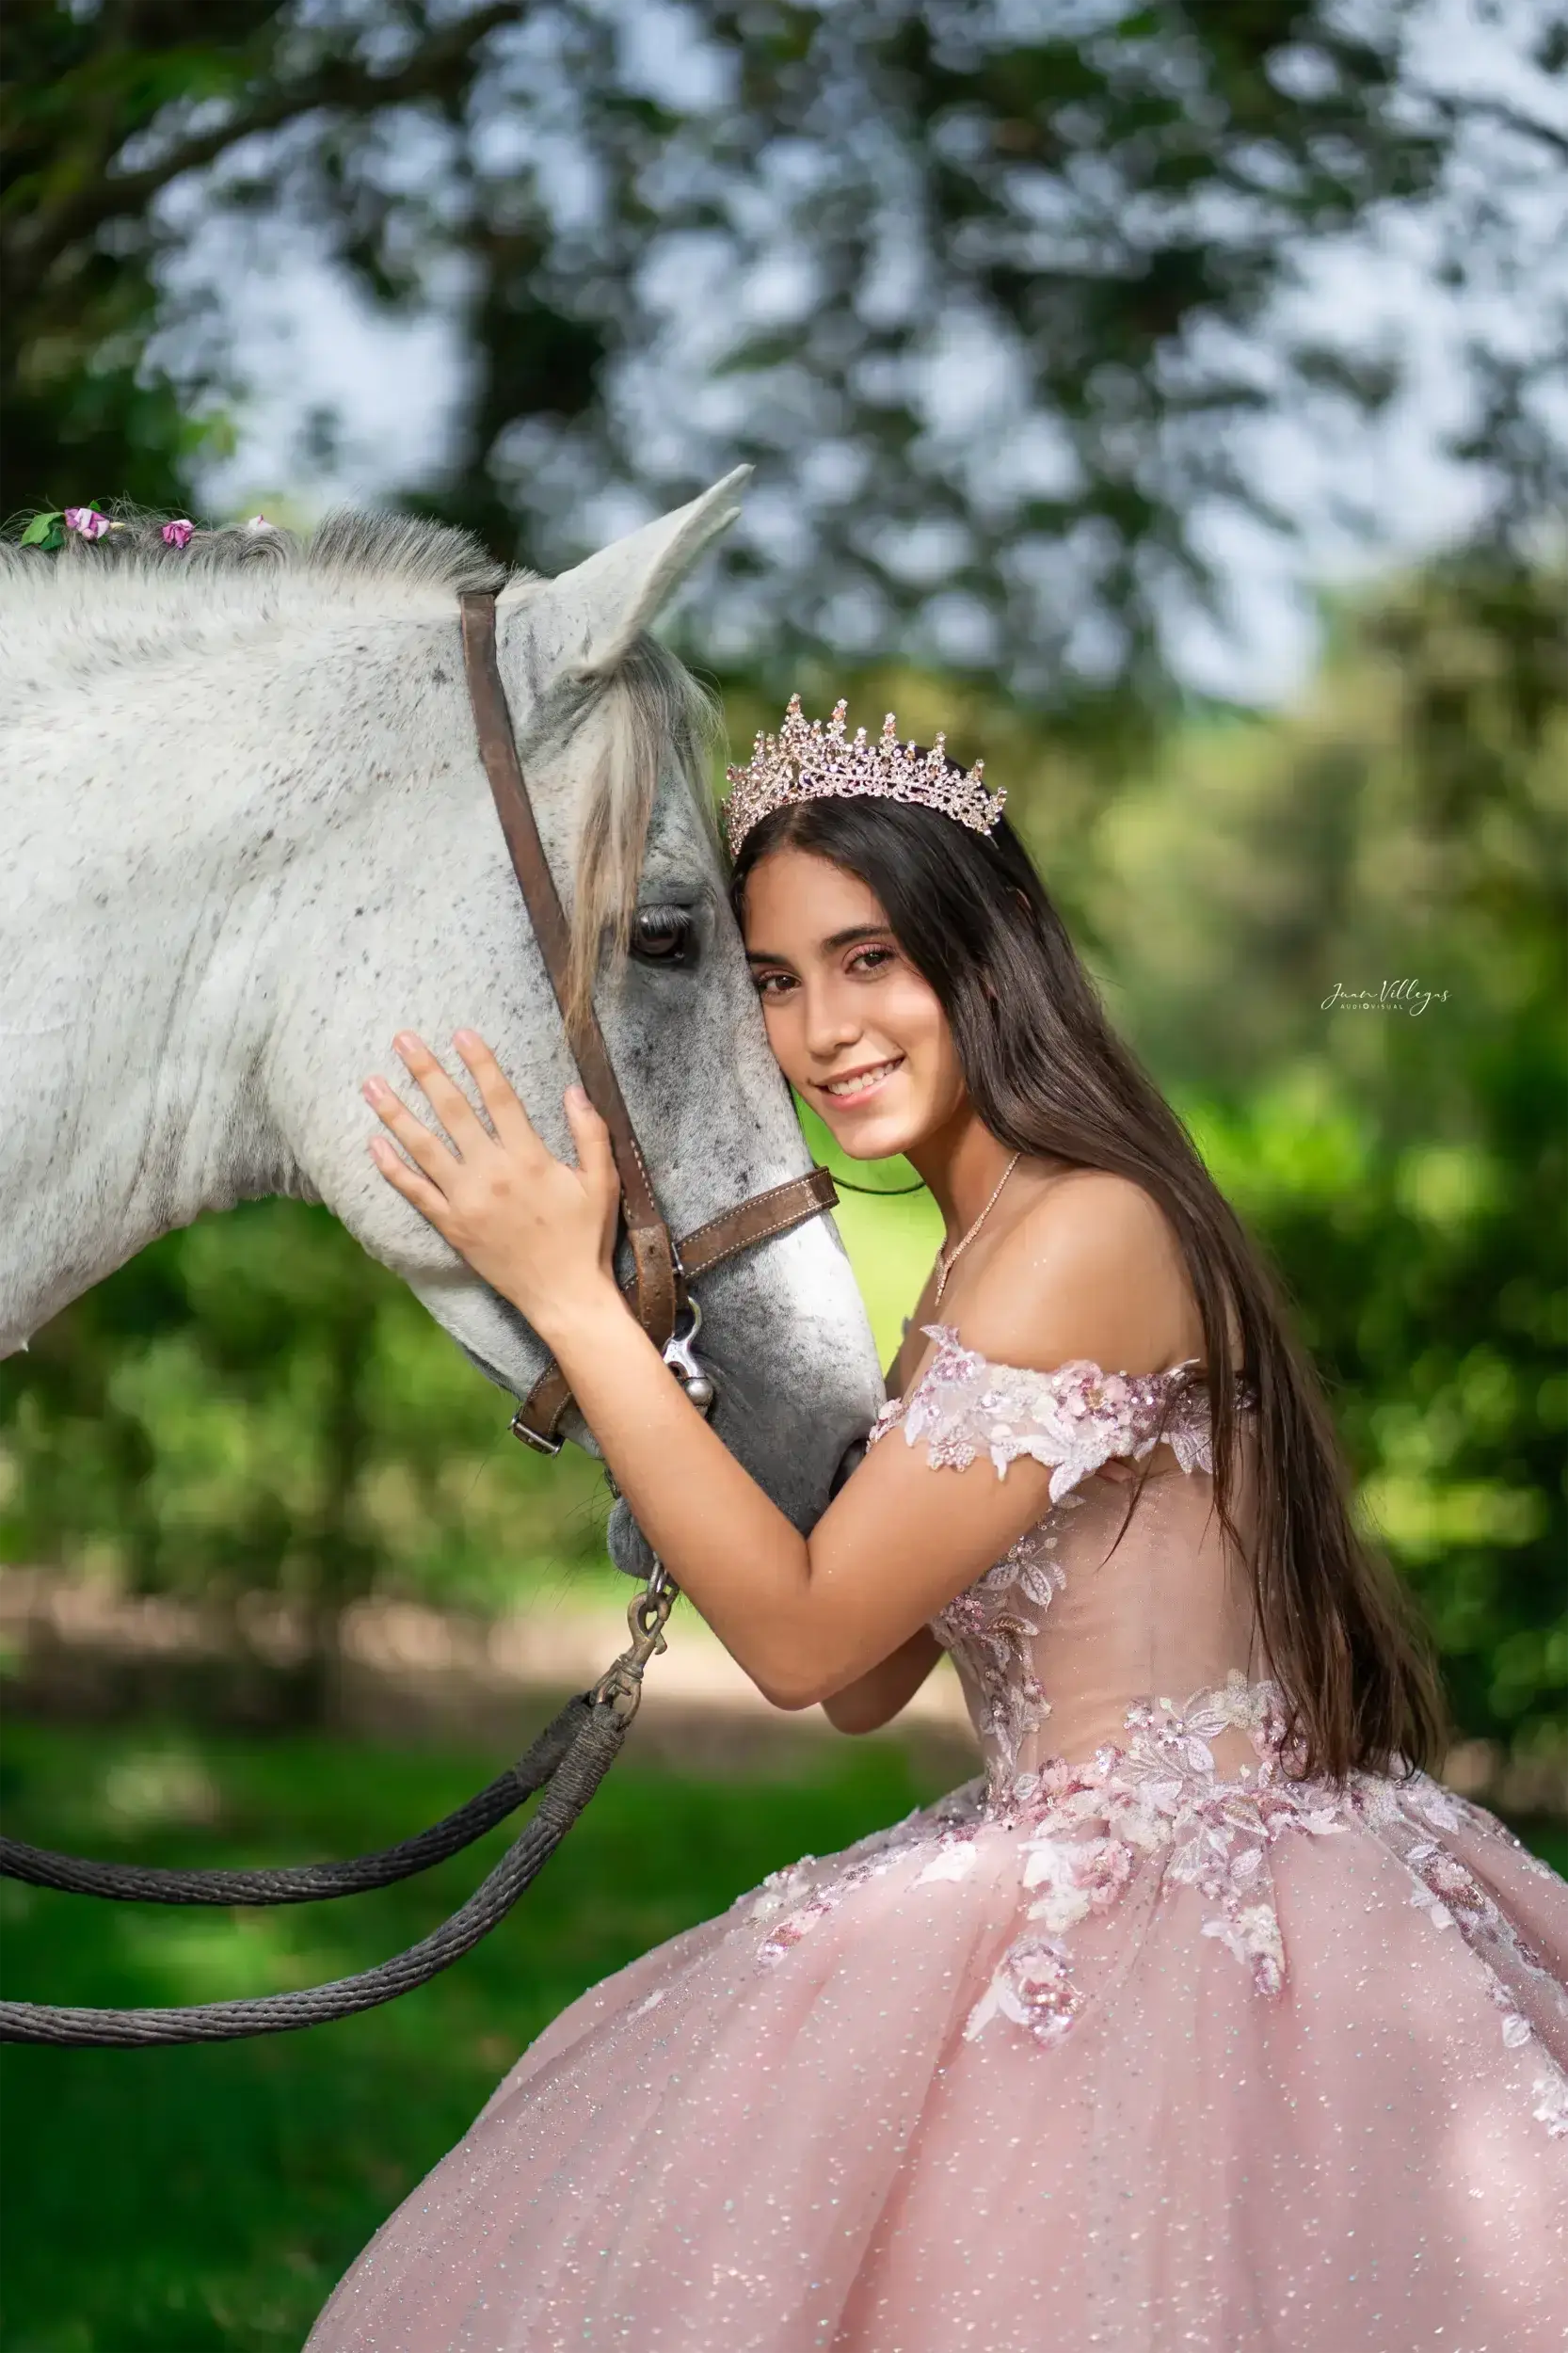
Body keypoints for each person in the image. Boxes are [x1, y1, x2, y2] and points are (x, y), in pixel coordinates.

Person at [307, 697, 1568, 2352]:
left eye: (870, 959)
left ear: (998, 951)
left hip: (1206, 1920)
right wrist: (635, 1328)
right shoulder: (985, 1260)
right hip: (1050, 1834)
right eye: (772, 980)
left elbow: (809, 1642)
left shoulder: (1089, 1231)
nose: (819, 1028)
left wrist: (569, 1304)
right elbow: (863, 1674)